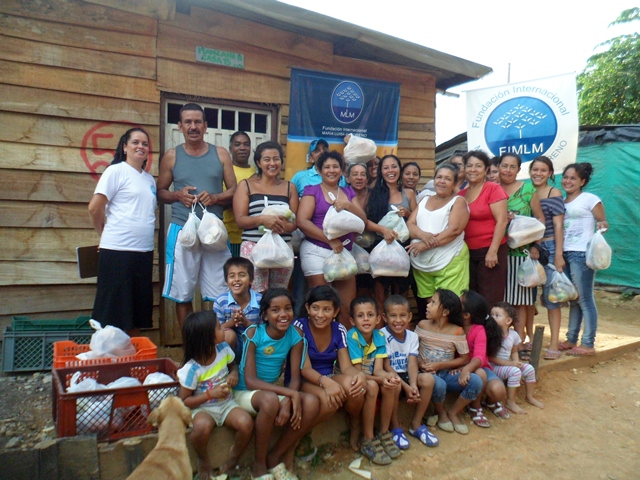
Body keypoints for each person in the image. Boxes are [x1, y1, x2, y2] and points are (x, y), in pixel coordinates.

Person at [157, 103, 237, 328]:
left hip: (215, 233)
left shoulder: (220, 153)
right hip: (183, 230)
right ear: (180, 126)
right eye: (188, 122)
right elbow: (160, 192)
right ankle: (192, 351)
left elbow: (234, 190)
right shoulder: (172, 156)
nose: (193, 126)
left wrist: (215, 197)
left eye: (198, 122)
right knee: (182, 293)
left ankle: (215, 345)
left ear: (206, 126)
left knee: (219, 292)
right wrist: (177, 195)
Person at [234, 288, 320, 479]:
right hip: (244, 392)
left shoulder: (296, 335)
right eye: (275, 310)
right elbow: (250, 381)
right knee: (271, 400)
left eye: (288, 308)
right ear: (264, 315)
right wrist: (290, 394)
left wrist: (289, 399)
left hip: (270, 394)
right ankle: (259, 465)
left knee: (312, 402)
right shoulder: (253, 334)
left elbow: (295, 377)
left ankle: (276, 455)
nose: (283, 314)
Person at [88, 127, 156, 336]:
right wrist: (103, 235)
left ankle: (131, 359)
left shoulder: (149, 179)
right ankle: (108, 360)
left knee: (135, 311)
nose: (140, 147)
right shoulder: (115, 171)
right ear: (125, 147)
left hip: (143, 252)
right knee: (113, 312)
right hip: (117, 251)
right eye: (135, 142)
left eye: (145, 144)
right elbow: (94, 207)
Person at [177, 311, 254, 480]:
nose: (224, 330)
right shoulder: (192, 369)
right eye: (219, 328)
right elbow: (183, 401)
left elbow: (233, 365)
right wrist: (209, 394)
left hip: (227, 404)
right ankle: (203, 459)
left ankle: (232, 460)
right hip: (203, 408)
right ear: (208, 338)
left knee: (246, 423)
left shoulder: (224, 349)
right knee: (201, 428)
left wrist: (233, 374)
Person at [297, 151, 367, 327]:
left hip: (343, 253)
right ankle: (318, 349)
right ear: (319, 170)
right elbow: (302, 221)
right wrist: (329, 240)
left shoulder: (348, 192)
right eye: (326, 167)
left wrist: (349, 205)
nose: (331, 170)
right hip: (316, 251)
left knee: (346, 307)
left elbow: (363, 220)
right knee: (322, 305)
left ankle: (343, 347)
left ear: (342, 170)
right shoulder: (312, 191)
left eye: (335, 166)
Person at [295, 286, 367, 451]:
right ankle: (298, 437)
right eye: (315, 308)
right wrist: (326, 383)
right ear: (307, 308)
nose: (320, 315)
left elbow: (347, 367)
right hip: (305, 379)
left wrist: (360, 375)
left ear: (335, 312)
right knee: (329, 401)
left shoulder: (339, 329)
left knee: (355, 385)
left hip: (328, 375)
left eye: (327, 309)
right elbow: (304, 369)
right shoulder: (299, 327)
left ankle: (355, 423)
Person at [233, 141, 298, 292]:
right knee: (255, 293)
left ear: (281, 162)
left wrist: (279, 226)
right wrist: (262, 220)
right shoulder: (246, 185)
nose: (272, 163)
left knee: (278, 294)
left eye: (276, 159)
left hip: (282, 249)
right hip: (253, 248)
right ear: (258, 162)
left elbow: (294, 223)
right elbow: (240, 220)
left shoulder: (289, 188)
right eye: (266, 159)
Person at [415, 289, 482, 435]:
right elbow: (411, 351)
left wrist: (440, 365)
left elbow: (464, 358)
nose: (428, 305)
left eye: (433, 302)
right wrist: (420, 365)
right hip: (425, 374)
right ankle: (441, 413)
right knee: (438, 383)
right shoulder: (422, 325)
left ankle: (453, 412)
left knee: (476, 381)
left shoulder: (457, 331)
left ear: (445, 312)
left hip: (446, 373)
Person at [406, 163, 470, 316]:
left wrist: (424, 245)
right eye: (439, 177)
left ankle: (450, 338)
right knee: (432, 308)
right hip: (422, 264)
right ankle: (434, 337)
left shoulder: (458, 201)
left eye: (448, 179)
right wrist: (423, 235)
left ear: (455, 184)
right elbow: (410, 224)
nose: (442, 181)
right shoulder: (424, 200)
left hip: (449, 260)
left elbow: (454, 230)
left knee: (451, 306)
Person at [498, 153, 545, 360]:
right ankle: (503, 344)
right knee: (502, 301)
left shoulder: (528, 190)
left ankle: (521, 341)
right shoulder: (493, 188)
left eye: (512, 167)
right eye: (504, 166)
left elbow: (539, 219)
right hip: (499, 253)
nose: (507, 170)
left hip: (521, 255)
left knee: (520, 302)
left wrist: (536, 244)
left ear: (518, 170)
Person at [560, 163, 609, 357]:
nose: (568, 181)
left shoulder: (590, 199)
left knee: (585, 299)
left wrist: (601, 225)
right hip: (565, 254)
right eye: (565, 177)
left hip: (582, 254)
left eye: (573, 178)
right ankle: (571, 339)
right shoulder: (562, 201)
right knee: (574, 300)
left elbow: (603, 222)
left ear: (582, 181)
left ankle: (588, 343)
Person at [347, 296, 402, 465]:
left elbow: (378, 369)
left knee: (392, 383)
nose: (365, 319)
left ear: (378, 319)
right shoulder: (352, 336)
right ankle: (368, 439)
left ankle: (384, 432)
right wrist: (380, 380)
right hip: (354, 378)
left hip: (370, 377)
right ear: (352, 320)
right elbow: (358, 373)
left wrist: (387, 377)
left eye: (370, 315)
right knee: (372, 385)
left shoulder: (379, 336)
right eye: (360, 315)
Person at [381, 295, 439, 448]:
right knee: (396, 385)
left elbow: (412, 362)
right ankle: (395, 426)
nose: (398, 320)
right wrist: (406, 387)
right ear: (384, 318)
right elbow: (386, 366)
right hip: (390, 373)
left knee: (428, 380)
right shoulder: (381, 335)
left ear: (409, 316)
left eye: (402, 315)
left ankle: (416, 423)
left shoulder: (412, 336)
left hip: (407, 373)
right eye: (393, 316)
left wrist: (413, 384)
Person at [365, 154, 418, 315]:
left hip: (403, 249)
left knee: (400, 297)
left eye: (394, 166)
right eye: (386, 167)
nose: (390, 171)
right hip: (381, 249)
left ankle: (400, 334)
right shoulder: (373, 193)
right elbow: (365, 222)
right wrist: (383, 230)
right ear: (381, 171)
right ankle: (381, 335)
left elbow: (417, 220)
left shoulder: (408, 194)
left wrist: (408, 213)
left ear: (399, 169)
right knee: (380, 297)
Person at [459, 150, 509, 306]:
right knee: (473, 299)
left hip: (490, 251)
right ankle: (477, 331)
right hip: (468, 253)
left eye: (478, 166)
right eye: (469, 166)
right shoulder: (461, 194)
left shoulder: (493, 189)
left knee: (490, 298)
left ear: (486, 169)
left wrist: (493, 251)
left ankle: (492, 331)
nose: (473, 170)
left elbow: (502, 221)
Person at [528, 156, 566, 360]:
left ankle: (553, 344)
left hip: (549, 248)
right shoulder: (527, 192)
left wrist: (558, 254)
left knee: (552, 298)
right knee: (528, 300)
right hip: (530, 250)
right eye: (535, 169)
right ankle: (531, 339)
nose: (538, 173)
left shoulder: (554, 193)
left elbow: (559, 225)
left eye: (543, 170)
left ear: (550, 173)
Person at [459, 290, 509, 424]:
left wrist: (466, 369)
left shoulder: (479, 330)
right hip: (461, 367)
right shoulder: (454, 327)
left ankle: (490, 403)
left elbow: (479, 358)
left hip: (478, 367)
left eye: (459, 303)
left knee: (498, 390)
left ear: (466, 315)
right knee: (479, 374)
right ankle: (475, 407)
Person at [489, 302, 544, 413]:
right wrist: (511, 364)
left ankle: (530, 396)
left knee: (529, 369)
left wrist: (516, 361)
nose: (492, 317)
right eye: (491, 315)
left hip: (507, 365)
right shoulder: (491, 334)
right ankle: (510, 402)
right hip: (493, 367)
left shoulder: (513, 334)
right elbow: (490, 357)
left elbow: (514, 351)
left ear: (508, 321)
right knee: (515, 372)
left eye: (497, 315)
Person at [213, 257, 262, 359]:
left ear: (251, 280)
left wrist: (246, 323)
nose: (236, 279)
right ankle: (227, 367)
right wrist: (231, 322)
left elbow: (266, 330)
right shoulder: (221, 301)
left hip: (256, 345)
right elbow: (215, 331)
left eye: (242, 275)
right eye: (232, 276)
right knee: (229, 334)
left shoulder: (260, 301)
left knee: (255, 333)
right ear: (226, 281)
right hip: (234, 346)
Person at [223, 131, 254, 257]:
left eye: (246, 144)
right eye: (237, 144)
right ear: (231, 149)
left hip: (253, 237)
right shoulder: (225, 171)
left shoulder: (257, 172)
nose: (242, 148)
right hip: (229, 237)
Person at [346, 163, 375, 295]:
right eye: (355, 174)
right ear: (348, 178)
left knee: (367, 290)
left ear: (367, 178)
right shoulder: (342, 194)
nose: (359, 178)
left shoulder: (374, 195)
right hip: (347, 246)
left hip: (372, 247)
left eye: (362, 174)